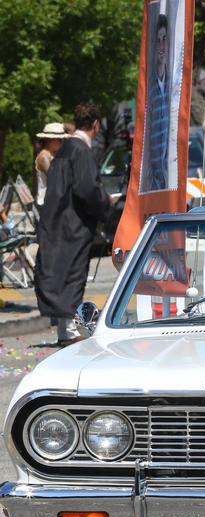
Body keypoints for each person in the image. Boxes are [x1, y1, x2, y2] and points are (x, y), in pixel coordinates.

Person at [34, 104, 109, 347]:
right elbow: (86, 188)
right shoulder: (81, 151)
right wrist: (104, 204)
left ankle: (65, 330)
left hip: (56, 218)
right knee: (72, 273)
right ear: (95, 125)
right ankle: (67, 332)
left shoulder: (64, 150)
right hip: (74, 222)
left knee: (60, 270)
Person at [146, 12, 170, 192]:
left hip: (167, 181)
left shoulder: (173, 84)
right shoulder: (149, 84)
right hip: (153, 184)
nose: (162, 46)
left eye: (165, 39)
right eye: (158, 40)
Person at [34, 123, 68, 208]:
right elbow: (55, 177)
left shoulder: (54, 155)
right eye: (59, 139)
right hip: (46, 204)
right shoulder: (44, 156)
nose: (61, 142)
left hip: (52, 202)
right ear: (49, 140)